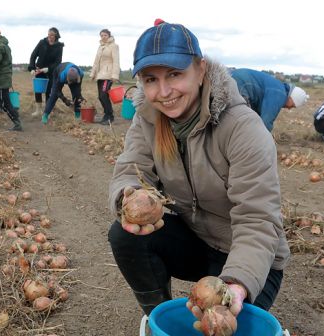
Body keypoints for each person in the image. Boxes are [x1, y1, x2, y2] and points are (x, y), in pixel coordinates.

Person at [107, 22, 289, 327]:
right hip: (197, 240)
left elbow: (258, 219)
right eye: (151, 79)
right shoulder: (148, 120)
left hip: (247, 252)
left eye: (175, 75)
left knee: (221, 325)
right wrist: (129, 195)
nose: (163, 92)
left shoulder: (242, 128)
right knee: (124, 235)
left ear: (200, 70)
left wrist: (237, 284)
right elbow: (131, 169)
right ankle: (160, 320)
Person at [230, 68, 309, 131]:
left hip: (237, 78)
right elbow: (266, 121)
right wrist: (266, 141)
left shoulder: (278, 88)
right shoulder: (279, 93)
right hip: (241, 84)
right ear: (292, 98)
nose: (289, 108)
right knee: (240, 119)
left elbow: (258, 115)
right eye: (293, 106)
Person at [28, 27, 65, 117]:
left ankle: (47, 111)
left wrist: (48, 69)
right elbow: (33, 55)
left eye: (52, 35)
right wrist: (32, 68)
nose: (49, 37)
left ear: (56, 35)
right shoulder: (42, 43)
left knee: (49, 91)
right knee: (38, 90)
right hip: (39, 70)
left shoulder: (59, 46)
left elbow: (58, 61)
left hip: (51, 71)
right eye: (48, 35)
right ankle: (38, 110)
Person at [90, 28, 120, 125]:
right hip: (100, 75)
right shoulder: (100, 47)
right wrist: (92, 74)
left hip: (108, 75)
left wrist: (115, 75)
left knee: (103, 95)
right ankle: (106, 115)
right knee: (101, 96)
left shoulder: (114, 46)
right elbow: (96, 62)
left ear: (109, 36)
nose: (103, 37)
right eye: (101, 35)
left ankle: (110, 116)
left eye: (105, 35)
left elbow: (116, 61)